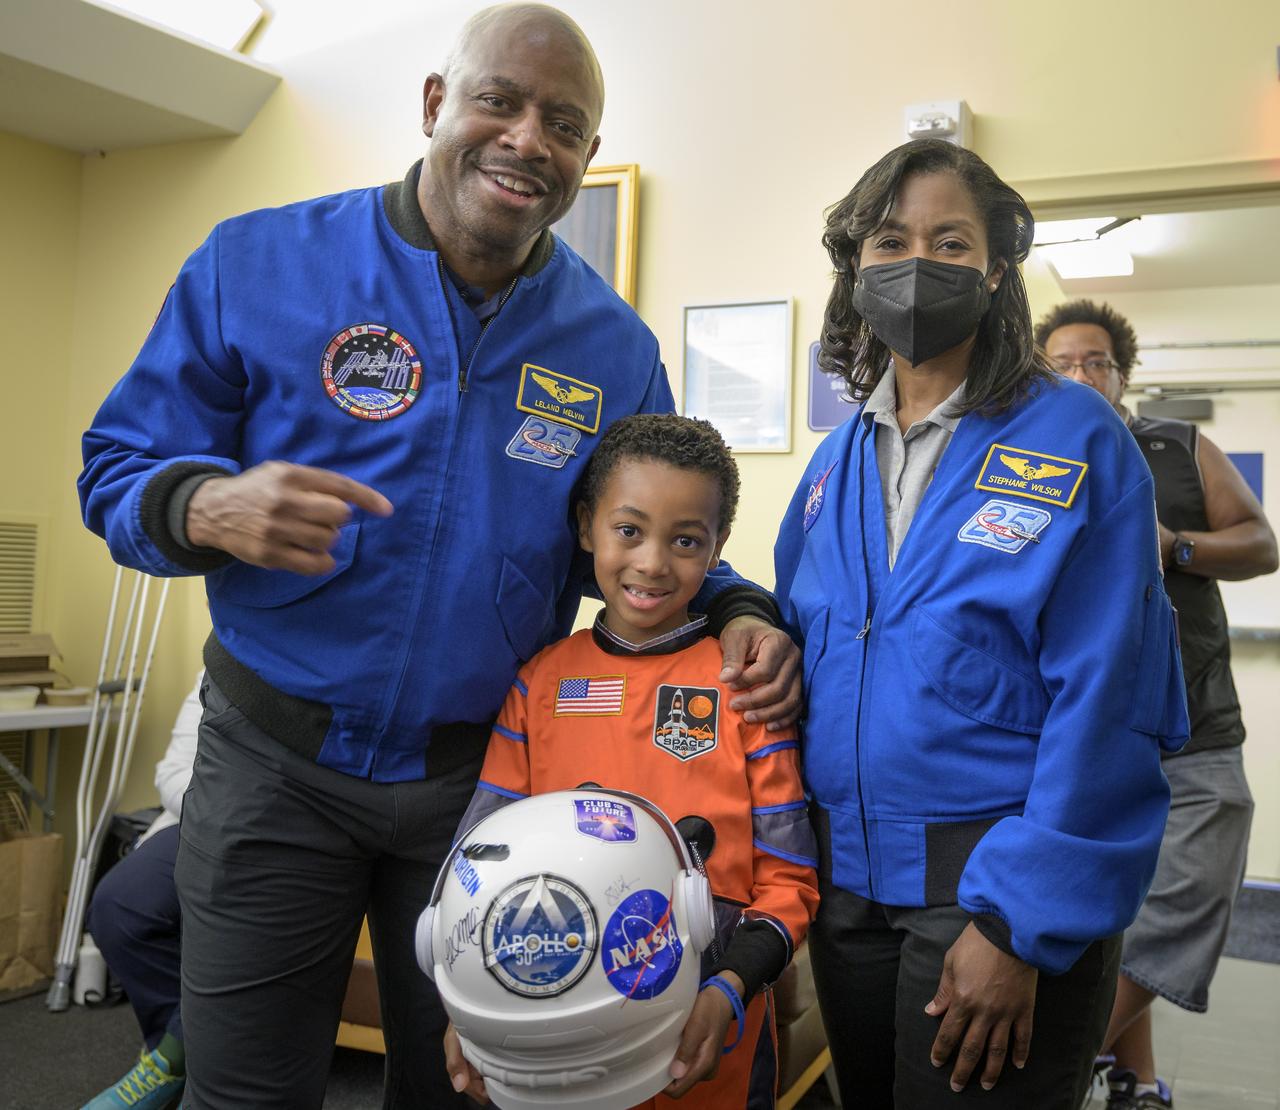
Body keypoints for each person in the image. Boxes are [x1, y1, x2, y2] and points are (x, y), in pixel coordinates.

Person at [76, 6, 801, 1106]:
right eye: (497, 101)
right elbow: (116, 469)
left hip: (482, 792)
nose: (524, 139)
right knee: (247, 1092)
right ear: (433, 106)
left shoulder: (609, 348)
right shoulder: (258, 262)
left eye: (562, 123)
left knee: (475, 1088)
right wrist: (205, 507)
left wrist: (745, 611)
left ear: (584, 158)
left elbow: (648, 531)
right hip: (275, 770)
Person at [772, 138, 1190, 1108]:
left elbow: (1109, 700)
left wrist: (1016, 925)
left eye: (949, 241)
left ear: (995, 266)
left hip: (990, 899)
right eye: (889, 239)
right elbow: (799, 629)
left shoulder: (1076, 440)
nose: (916, 263)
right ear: (854, 264)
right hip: (849, 899)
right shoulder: (834, 461)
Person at [444, 413, 819, 1109]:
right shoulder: (540, 683)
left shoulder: (744, 685)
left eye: (684, 540)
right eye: (629, 531)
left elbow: (790, 884)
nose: (652, 562)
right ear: (586, 527)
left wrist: (730, 991)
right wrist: (465, 1005)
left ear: (717, 550)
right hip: (556, 1029)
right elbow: (476, 868)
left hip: (711, 1040)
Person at [1036, 299, 1277, 1109]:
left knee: (1186, 901)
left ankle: (1056, 1066)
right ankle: (1132, 1078)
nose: (1079, 375)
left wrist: (1174, 544)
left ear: (1123, 372)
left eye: (1095, 361)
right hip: (1087, 737)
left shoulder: (1176, 447)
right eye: (1061, 363)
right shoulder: (1030, 462)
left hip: (1198, 730)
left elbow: (1260, 542)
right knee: (1110, 914)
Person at [82, 672, 202, 1110]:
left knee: (229, 915)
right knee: (118, 903)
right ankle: (177, 1053)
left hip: (281, 832)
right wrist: (218, 810)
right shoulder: (223, 654)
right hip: (202, 815)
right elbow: (172, 770)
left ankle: (171, 1062)